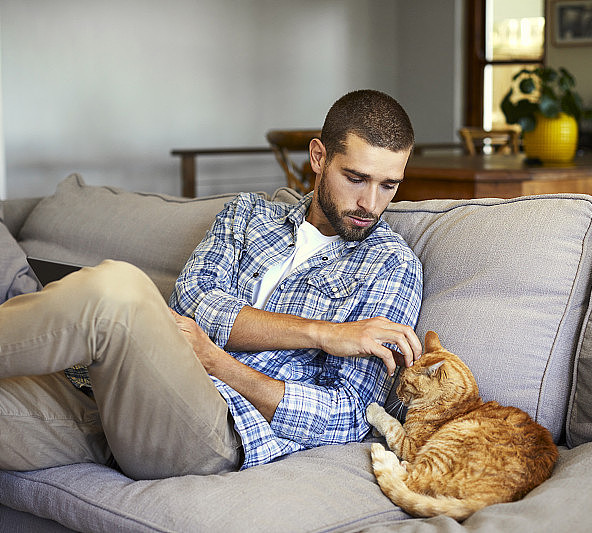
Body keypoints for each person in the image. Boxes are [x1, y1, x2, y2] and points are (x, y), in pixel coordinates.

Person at [0, 89, 423, 480]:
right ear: (318, 157)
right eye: (356, 178)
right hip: (108, 395)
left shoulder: (390, 265)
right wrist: (324, 334)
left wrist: (218, 362)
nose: (371, 204)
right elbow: (194, 302)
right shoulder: (247, 216)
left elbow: (351, 414)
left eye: (388, 185)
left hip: (217, 425)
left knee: (119, 289)